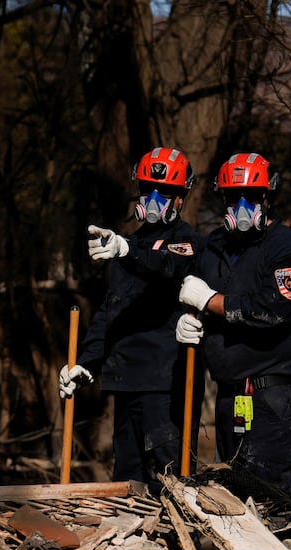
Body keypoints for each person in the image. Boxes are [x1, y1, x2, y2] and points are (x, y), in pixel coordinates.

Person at [58, 147, 207, 483]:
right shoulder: (127, 245)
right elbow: (111, 310)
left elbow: (165, 267)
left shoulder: (188, 243)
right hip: (126, 382)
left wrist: (126, 250)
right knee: (126, 481)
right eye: (147, 189)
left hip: (167, 386)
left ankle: (177, 538)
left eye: (165, 192)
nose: (154, 199)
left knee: (172, 483)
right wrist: (87, 363)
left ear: (181, 198)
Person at [177, 151, 291, 494]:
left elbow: (276, 308)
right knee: (233, 495)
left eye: (251, 196)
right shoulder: (213, 248)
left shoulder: (284, 246)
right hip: (230, 393)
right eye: (233, 196)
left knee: (268, 495)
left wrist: (212, 302)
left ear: (266, 197)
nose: (242, 205)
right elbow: (190, 291)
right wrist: (191, 320)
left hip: (273, 395)